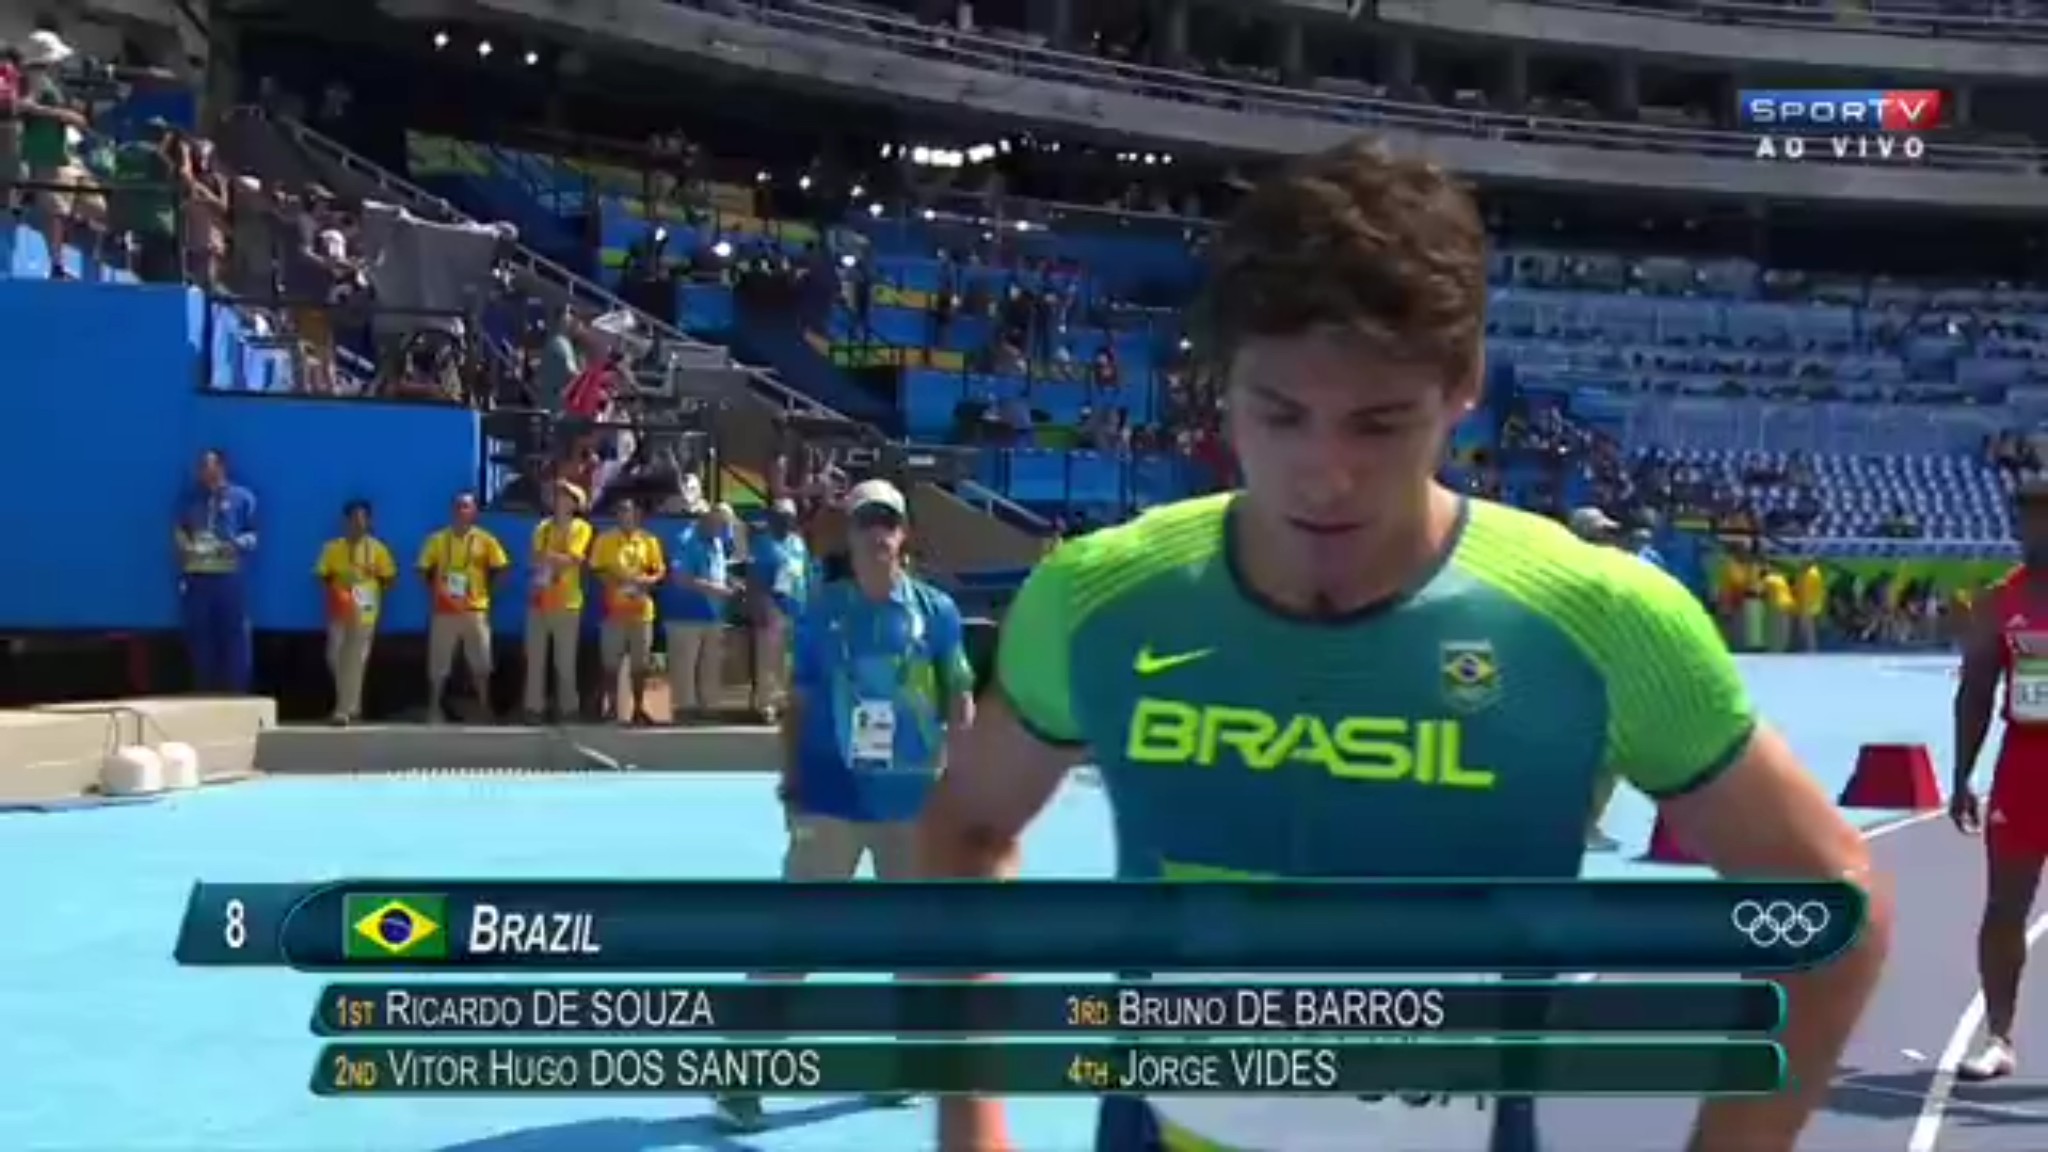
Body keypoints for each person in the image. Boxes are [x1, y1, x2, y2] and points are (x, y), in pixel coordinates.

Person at [917, 141, 1890, 1152]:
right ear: (1221, 385)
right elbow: (965, 828)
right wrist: (969, 1124)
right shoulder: (1100, 596)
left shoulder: (1597, 620)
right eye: (1280, 414)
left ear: (1462, 385)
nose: (1324, 473)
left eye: (1378, 424)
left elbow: (1833, 910)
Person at [714, 478, 975, 1132]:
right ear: (850, 536)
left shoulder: (938, 612)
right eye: (866, 522)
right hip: (832, 798)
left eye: (888, 521)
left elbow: (960, 698)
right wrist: (792, 783)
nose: (878, 533)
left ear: (904, 533)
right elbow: (800, 703)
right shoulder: (822, 613)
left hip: (911, 803)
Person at [1949, 478, 2048, 1081]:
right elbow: (1976, 692)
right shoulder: (1998, 602)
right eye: (2028, 519)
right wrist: (1962, 775)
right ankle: (1999, 1037)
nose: (2036, 530)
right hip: (2026, 769)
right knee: (2006, 906)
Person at [418, 492, 509, 722]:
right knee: (439, 663)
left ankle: (484, 709)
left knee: (481, 663)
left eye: (466, 506)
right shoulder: (437, 540)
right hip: (445, 611)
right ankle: (434, 709)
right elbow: (422, 568)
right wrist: (436, 592)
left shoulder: (486, 539)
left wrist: (489, 594)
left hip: (474, 609)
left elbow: (501, 567)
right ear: (452, 510)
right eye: (458, 506)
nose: (461, 511)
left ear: (475, 512)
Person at [173, 449, 258, 693]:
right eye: (201, 467)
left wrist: (236, 544)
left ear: (221, 468)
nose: (203, 471)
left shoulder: (243, 497)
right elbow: (180, 531)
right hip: (198, 577)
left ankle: (237, 691)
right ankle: (205, 691)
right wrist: (186, 548)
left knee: (235, 634)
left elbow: (253, 534)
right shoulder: (189, 500)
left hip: (229, 577)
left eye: (208, 466)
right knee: (201, 636)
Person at [312, 499, 395, 725]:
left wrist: (370, 594)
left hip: (365, 605)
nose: (358, 523)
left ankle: (344, 709)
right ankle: (352, 705)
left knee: (357, 658)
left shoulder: (378, 549)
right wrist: (338, 591)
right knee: (334, 655)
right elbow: (322, 575)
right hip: (340, 604)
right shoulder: (332, 548)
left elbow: (388, 577)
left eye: (362, 518)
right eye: (354, 518)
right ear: (346, 521)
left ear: (369, 521)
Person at [521, 481, 592, 724]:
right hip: (539, 600)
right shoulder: (542, 527)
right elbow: (535, 559)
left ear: (575, 504)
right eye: (557, 496)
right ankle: (533, 708)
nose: (559, 500)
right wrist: (556, 559)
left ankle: (568, 709)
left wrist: (549, 558)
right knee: (535, 659)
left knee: (565, 661)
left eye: (565, 497)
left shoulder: (581, 528)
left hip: (566, 603)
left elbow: (574, 559)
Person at [593, 497, 666, 725]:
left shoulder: (649, 541)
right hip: (613, 610)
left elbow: (658, 571)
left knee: (640, 665)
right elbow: (596, 569)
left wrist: (646, 581)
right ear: (616, 516)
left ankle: (639, 708)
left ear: (638, 516)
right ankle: (612, 707)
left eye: (630, 513)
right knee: (610, 664)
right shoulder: (604, 540)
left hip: (642, 611)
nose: (626, 517)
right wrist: (618, 582)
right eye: (621, 512)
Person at [664, 503, 737, 722]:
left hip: (714, 614)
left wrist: (731, 582)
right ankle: (684, 709)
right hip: (685, 615)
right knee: (684, 665)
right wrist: (717, 590)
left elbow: (717, 570)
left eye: (727, 526)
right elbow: (680, 578)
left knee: (711, 664)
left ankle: (709, 708)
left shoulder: (718, 539)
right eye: (722, 525)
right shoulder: (686, 539)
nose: (725, 531)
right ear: (709, 519)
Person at [748, 497, 813, 722]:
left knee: (789, 660)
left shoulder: (798, 543)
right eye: (779, 516)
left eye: (788, 516)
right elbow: (754, 579)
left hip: (797, 606)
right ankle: (766, 704)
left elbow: (806, 573)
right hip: (771, 604)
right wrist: (759, 606)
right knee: (769, 658)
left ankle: (784, 702)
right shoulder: (762, 543)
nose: (784, 521)